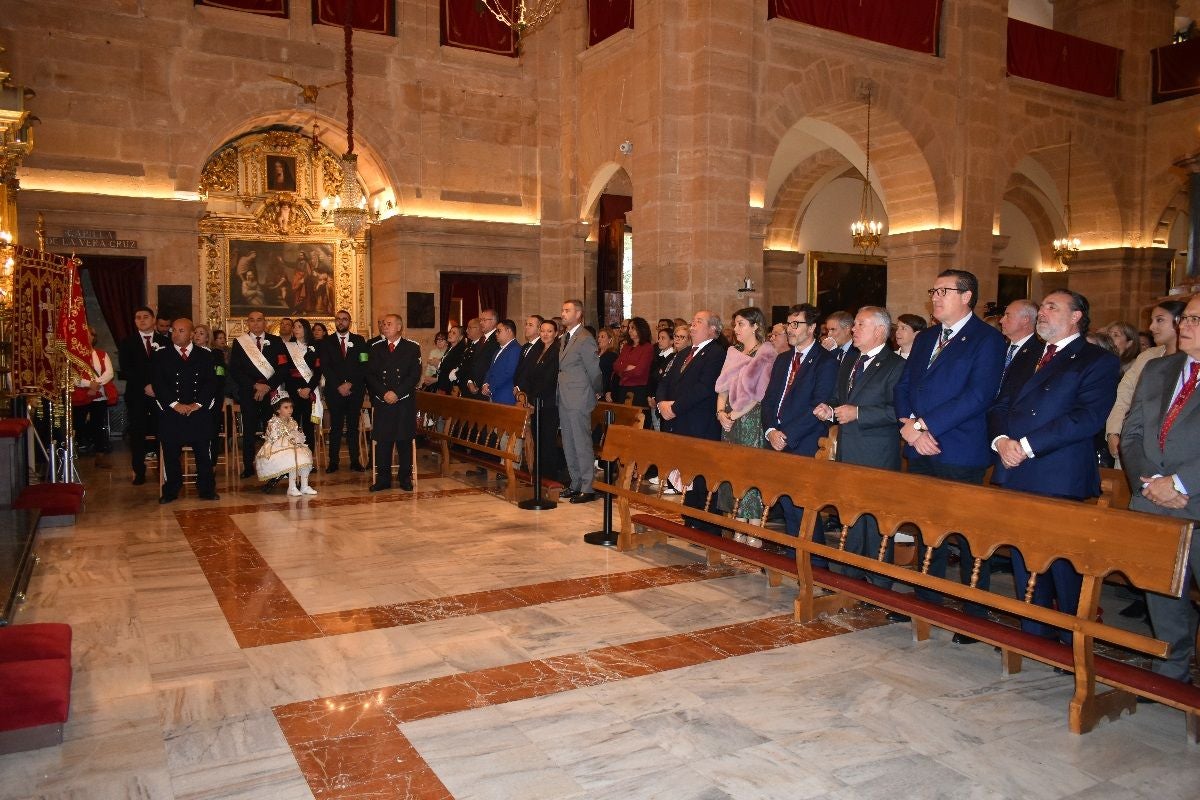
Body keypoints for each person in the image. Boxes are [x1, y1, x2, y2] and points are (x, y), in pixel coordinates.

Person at [989, 290, 1119, 643]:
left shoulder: (1095, 360)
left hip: (1057, 471)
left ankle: (1069, 640)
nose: (1042, 313)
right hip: (1014, 466)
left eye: (1051, 307)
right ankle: (1034, 633)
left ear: (1076, 316)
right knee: (1023, 556)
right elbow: (999, 404)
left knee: (1062, 562)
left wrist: (1027, 447)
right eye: (1042, 307)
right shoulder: (1028, 354)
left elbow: (1086, 418)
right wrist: (1001, 441)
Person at [893, 268, 1006, 639]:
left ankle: (974, 615)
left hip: (958, 448)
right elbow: (905, 384)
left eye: (944, 290)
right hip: (920, 445)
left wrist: (925, 427)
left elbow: (978, 395)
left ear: (967, 296)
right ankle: (928, 601)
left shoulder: (987, 340)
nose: (936, 296)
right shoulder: (926, 338)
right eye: (934, 289)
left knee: (967, 536)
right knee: (928, 529)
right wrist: (908, 426)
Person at [1121, 296, 1200, 686]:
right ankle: (1171, 675)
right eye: (1185, 318)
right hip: (1153, 501)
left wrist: (1181, 484)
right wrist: (1149, 483)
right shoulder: (1158, 369)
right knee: (1163, 598)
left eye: (1196, 319)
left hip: (1195, 502)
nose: (1185, 325)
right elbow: (1132, 434)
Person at [814, 306, 906, 588]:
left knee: (877, 520)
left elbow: (899, 411)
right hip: (849, 450)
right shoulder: (850, 360)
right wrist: (828, 409)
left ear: (880, 330)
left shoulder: (896, 365)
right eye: (853, 324)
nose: (853, 329)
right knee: (850, 514)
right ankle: (851, 575)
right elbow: (838, 398)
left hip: (877, 452)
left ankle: (879, 581)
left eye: (860, 325)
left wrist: (860, 414)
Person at [760, 304, 838, 535]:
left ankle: (815, 563)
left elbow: (819, 404)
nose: (790, 330)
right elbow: (769, 399)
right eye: (788, 324)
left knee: (803, 509)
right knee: (786, 505)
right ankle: (795, 557)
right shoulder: (783, 359)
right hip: (776, 439)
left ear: (812, 327)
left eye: (796, 324)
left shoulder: (825, 361)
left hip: (804, 442)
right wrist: (770, 431)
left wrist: (787, 435)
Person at [656, 310, 728, 532]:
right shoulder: (683, 353)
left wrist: (674, 408)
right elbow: (665, 380)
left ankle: (707, 525)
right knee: (687, 471)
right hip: (680, 422)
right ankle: (690, 519)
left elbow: (704, 388)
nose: (693, 325)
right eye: (692, 321)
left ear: (712, 329)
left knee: (703, 475)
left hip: (701, 423)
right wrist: (661, 404)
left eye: (699, 322)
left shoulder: (717, 353)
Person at [714, 307, 778, 537]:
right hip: (729, 419)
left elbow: (758, 394)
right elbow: (722, 386)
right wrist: (721, 412)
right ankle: (738, 523)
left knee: (751, 471)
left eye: (741, 324)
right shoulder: (733, 351)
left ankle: (754, 531)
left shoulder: (766, 352)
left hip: (751, 419)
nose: (736, 329)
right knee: (732, 470)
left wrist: (733, 415)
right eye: (735, 324)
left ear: (755, 326)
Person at [1104, 300, 1186, 464]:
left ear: (1178, 321)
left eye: (1160, 320)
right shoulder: (1148, 356)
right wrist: (1114, 432)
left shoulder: (1191, 360)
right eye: (1152, 320)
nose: (1151, 327)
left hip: (1173, 449)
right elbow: (1124, 394)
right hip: (1135, 442)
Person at [152, 318, 218, 503]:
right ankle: (171, 489)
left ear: (191, 334)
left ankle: (206, 488)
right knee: (171, 453)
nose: (175, 334)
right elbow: (159, 383)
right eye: (173, 330)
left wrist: (198, 404)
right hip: (172, 412)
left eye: (181, 331)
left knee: (203, 453)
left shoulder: (205, 355)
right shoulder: (161, 355)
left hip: (198, 411)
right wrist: (175, 404)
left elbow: (211, 382)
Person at [366, 314, 422, 492]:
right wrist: (384, 393)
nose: (384, 327)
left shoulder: (412, 348)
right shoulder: (375, 348)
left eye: (389, 324)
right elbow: (370, 375)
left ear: (399, 327)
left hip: (403, 401)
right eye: (383, 324)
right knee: (383, 441)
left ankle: (405, 477)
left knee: (404, 440)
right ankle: (383, 479)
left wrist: (397, 393)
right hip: (383, 402)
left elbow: (414, 375)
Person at [230, 310, 287, 479]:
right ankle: (248, 466)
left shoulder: (276, 341)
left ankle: (274, 465)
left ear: (265, 322)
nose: (255, 323)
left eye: (259, 320)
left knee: (272, 430)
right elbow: (235, 369)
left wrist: (267, 386)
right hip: (249, 393)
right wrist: (255, 385)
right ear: (248, 323)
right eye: (252, 320)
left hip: (271, 393)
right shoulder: (240, 343)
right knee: (248, 431)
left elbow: (283, 368)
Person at [116, 306, 170, 485]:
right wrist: (145, 386)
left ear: (153, 319)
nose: (142, 320)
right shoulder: (127, 342)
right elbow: (126, 369)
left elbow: (167, 368)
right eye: (138, 317)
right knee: (137, 433)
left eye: (145, 317)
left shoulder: (165, 341)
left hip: (159, 394)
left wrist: (156, 386)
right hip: (137, 394)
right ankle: (139, 471)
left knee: (162, 431)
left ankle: (164, 469)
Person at [557, 299, 604, 503]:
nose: (563, 313)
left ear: (578, 314)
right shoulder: (565, 338)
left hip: (579, 397)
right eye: (562, 310)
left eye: (567, 310)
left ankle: (588, 486)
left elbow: (594, 370)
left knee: (581, 442)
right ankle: (575, 483)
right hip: (565, 396)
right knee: (569, 442)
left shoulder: (585, 338)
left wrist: (597, 391)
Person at [319, 309, 368, 473]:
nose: (341, 322)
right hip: (334, 392)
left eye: (344, 319)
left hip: (355, 391)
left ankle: (355, 461)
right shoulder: (326, 342)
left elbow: (364, 365)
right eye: (338, 319)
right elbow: (325, 366)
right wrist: (339, 385)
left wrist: (350, 384)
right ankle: (333, 462)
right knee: (336, 427)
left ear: (350, 322)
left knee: (353, 427)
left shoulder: (360, 340)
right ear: (335, 322)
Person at [521, 319, 568, 483]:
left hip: (548, 403)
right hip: (534, 401)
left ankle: (549, 478)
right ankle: (539, 475)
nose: (545, 334)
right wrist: (526, 394)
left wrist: (533, 399)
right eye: (543, 331)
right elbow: (527, 373)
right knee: (537, 439)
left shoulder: (556, 351)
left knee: (547, 441)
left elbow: (549, 379)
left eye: (549, 331)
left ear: (556, 334)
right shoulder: (537, 349)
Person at [72, 329, 116, 469]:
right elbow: (72, 376)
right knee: (78, 424)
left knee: (99, 426)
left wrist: (95, 385)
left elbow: (109, 373)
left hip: (98, 396)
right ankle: (78, 449)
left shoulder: (102, 354)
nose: (87, 337)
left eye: (90, 334)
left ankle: (100, 456)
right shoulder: (73, 355)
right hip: (80, 395)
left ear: (94, 337)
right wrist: (88, 384)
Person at [255, 398, 317, 496]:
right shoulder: (274, 422)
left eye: (291, 407)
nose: (290, 410)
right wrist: (288, 436)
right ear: (278, 410)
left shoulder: (292, 421)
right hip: (276, 448)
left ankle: (304, 486)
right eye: (286, 407)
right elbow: (273, 437)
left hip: (292, 445)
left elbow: (296, 433)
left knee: (304, 455)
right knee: (291, 458)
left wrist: (297, 437)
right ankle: (292, 487)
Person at [283, 318, 322, 448]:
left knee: (308, 426)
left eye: (299, 326)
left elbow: (317, 372)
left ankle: (308, 460)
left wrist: (308, 389)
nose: (295, 329)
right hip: (294, 391)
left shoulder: (315, 347)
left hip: (309, 391)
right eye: (294, 327)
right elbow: (286, 372)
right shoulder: (287, 347)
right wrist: (298, 390)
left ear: (305, 329)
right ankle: (293, 459)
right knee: (292, 425)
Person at [193, 324, 226, 465]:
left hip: (212, 399)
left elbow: (220, 375)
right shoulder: (188, 354)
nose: (197, 335)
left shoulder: (215, 354)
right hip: (192, 400)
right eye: (195, 332)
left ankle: (210, 464)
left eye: (201, 333)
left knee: (211, 432)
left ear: (207, 337)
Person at [610, 317, 654, 408]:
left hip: (638, 389)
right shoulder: (627, 346)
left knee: (636, 419)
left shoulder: (647, 347)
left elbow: (639, 371)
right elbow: (616, 366)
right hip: (623, 388)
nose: (629, 330)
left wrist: (623, 369)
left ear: (641, 329)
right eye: (629, 328)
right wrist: (628, 367)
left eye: (633, 328)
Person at [997, 299, 1039, 382]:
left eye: (1007, 316)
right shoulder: (999, 347)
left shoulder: (1039, 352)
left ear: (1025, 320)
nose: (1001, 321)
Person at [482, 319, 520, 405]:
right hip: (495, 394)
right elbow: (490, 370)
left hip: (505, 396)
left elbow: (509, 373)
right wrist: (485, 383)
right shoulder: (498, 350)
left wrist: (490, 386)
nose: (496, 333)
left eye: (499, 331)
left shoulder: (515, 349)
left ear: (509, 331)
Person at [464, 309, 500, 399]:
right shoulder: (481, 339)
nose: (481, 323)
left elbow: (492, 365)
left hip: (487, 388)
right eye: (480, 320)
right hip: (474, 388)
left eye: (484, 320)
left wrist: (483, 383)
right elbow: (473, 363)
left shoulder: (497, 339)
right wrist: (470, 381)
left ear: (493, 322)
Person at [434, 325, 466, 394]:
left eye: (454, 333)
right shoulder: (450, 347)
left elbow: (452, 367)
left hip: (450, 386)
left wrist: (439, 364)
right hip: (443, 384)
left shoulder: (460, 350)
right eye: (450, 332)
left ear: (460, 337)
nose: (450, 334)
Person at [596, 326, 619, 401]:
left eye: (602, 337)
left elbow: (612, 375)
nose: (599, 339)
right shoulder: (595, 354)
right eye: (598, 337)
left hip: (604, 392)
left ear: (610, 339)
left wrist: (608, 390)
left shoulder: (612, 356)